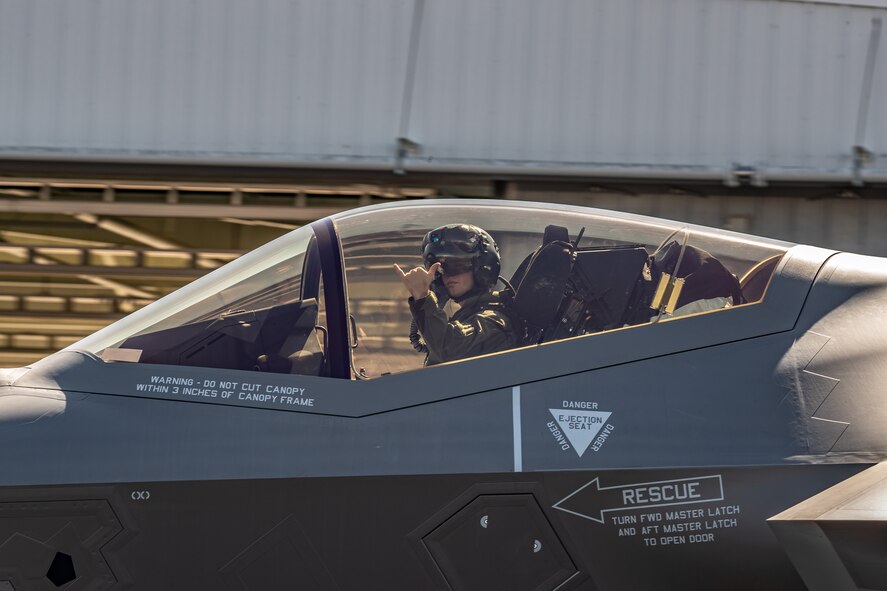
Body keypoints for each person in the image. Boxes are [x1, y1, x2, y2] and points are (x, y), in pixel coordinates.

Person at [394, 224, 519, 366]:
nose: (448, 275)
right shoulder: (468, 316)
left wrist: (423, 297)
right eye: (442, 269)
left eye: (457, 265)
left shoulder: (496, 320)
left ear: (482, 268)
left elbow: (448, 349)